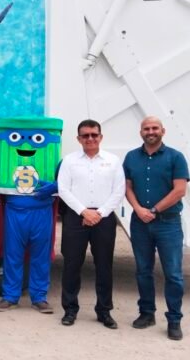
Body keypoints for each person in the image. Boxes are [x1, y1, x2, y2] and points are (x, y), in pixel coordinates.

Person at [123, 116, 187, 341]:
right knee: (143, 271)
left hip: (168, 223)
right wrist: (138, 209)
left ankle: (174, 320)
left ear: (163, 131)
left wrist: (154, 210)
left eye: (154, 128)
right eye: (146, 128)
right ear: (141, 132)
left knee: (173, 274)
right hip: (140, 223)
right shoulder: (131, 157)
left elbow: (180, 190)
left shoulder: (176, 157)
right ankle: (147, 313)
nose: (150, 132)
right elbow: (127, 187)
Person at [58, 120, 125, 329]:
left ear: (100, 137)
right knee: (72, 265)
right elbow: (63, 189)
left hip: (104, 218)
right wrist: (84, 211)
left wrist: (100, 213)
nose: (90, 138)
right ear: (78, 139)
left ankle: (104, 311)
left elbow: (119, 190)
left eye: (94, 135)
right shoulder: (69, 161)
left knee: (104, 266)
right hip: (76, 217)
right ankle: (70, 310)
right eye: (85, 135)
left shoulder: (113, 161)